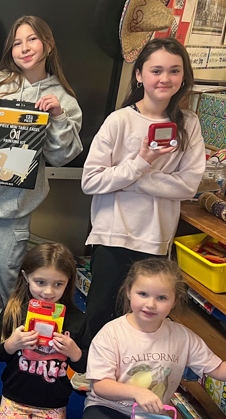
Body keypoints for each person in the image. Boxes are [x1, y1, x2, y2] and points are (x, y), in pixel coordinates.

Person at [0, 16, 82, 354]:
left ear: (48, 45)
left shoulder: (62, 97)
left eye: (33, 40)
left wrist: (58, 119)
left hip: (16, 202)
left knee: (12, 268)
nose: (24, 48)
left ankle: (13, 321)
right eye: (18, 42)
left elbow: (64, 156)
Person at [81, 38, 205, 343]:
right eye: (156, 70)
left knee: (142, 317)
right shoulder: (119, 120)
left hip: (155, 238)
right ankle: (87, 370)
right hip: (112, 234)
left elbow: (188, 185)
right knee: (100, 311)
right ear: (139, 75)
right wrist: (142, 162)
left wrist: (133, 176)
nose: (165, 78)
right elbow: (91, 181)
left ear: (183, 77)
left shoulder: (188, 124)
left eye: (174, 71)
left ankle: (127, 371)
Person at [84, 258, 226, 418]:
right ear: (128, 292)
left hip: (154, 414)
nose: (150, 304)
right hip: (108, 408)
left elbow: (218, 369)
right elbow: (100, 384)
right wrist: (137, 392)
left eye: (161, 298)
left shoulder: (182, 336)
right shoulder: (111, 333)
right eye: (142, 294)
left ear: (174, 300)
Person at [0, 243, 86, 419]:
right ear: (26, 276)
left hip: (53, 403)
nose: (48, 292)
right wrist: (11, 345)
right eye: (40, 282)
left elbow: (86, 365)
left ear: (69, 281)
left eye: (58, 284)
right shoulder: (14, 311)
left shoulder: (77, 319)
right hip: (14, 398)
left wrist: (75, 353)